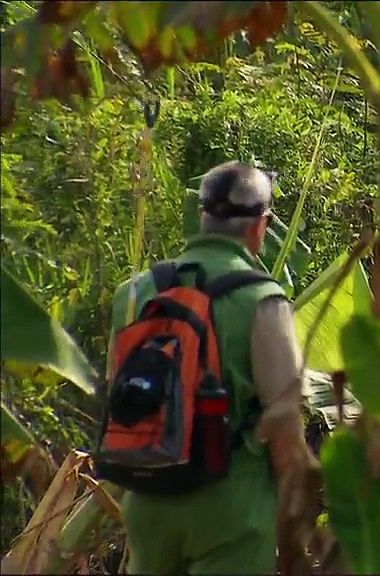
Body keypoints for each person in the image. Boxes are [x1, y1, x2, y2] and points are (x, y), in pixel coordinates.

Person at [104, 161, 319, 575]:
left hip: (148, 503)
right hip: (232, 507)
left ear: (202, 217)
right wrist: (296, 526)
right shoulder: (263, 299)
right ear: (262, 225)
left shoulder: (134, 292)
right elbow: (283, 420)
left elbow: (119, 389)